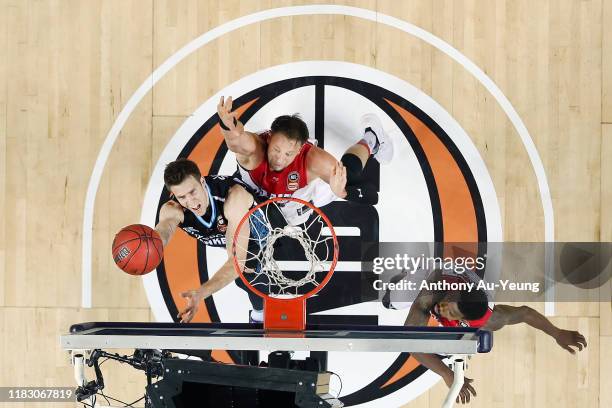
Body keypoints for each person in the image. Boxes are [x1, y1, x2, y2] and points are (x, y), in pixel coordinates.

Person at [404, 269, 587, 404]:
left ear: (464, 320)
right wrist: (446, 373)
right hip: (430, 276)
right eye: (447, 303)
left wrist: (557, 333)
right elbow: (410, 341)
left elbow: (525, 313)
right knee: (395, 302)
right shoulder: (433, 292)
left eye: (451, 313)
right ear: (455, 291)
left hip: (468, 294)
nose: (443, 309)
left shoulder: (492, 319)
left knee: (450, 345)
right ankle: (402, 277)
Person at [216, 96, 394, 224]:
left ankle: (374, 138)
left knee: (346, 173)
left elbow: (363, 192)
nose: (279, 159)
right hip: (256, 201)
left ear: (300, 150)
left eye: (288, 154)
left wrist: (343, 192)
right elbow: (236, 140)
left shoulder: (312, 160)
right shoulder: (255, 149)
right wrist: (228, 125)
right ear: (269, 138)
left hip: (304, 197)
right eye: (276, 150)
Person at [154, 158, 260, 323]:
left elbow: (236, 263)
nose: (191, 202)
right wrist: (152, 245)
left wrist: (201, 293)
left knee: (246, 274)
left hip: (268, 233)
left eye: (193, 192)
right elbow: (164, 230)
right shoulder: (173, 209)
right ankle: (260, 312)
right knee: (246, 279)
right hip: (242, 243)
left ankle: (259, 313)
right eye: (182, 197)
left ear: (202, 181)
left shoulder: (233, 198)